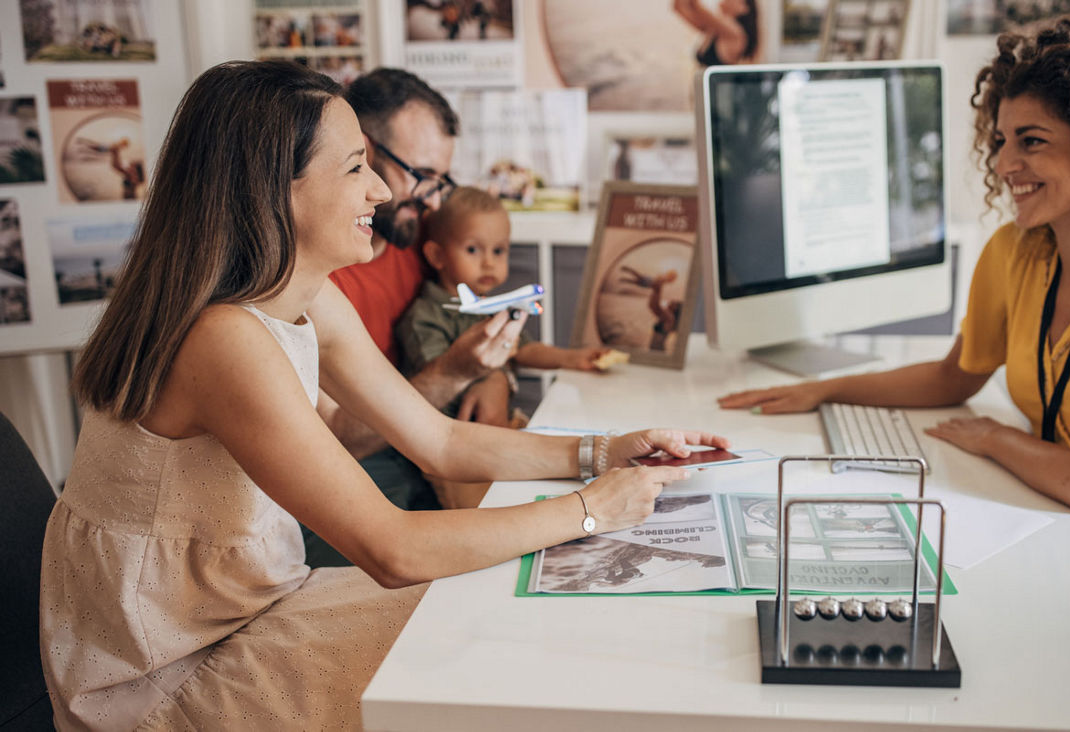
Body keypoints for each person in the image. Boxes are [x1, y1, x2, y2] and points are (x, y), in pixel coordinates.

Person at [40, 59, 727, 730]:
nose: (383, 193)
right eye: (355, 168)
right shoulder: (225, 339)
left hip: (254, 608)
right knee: (508, 643)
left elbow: (443, 440)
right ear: (274, 189)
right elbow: (392, 549)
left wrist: (605, 450)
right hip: (169, 672)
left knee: (506, 612)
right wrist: (591, 510)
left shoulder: (305, 294)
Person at [719, 13, 1070, 692]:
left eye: (1032, 142)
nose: (1005, 165)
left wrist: (990, 437)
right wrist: (829, 389)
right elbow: (957, 373)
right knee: (923, 641)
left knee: (992, 676)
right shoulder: (1019, 251)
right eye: (1002, 140)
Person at [313, 68, 526, 565]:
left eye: (442, 180)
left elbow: (476, 326)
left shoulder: (423, 233)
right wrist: (457, 372)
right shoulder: (319, 269)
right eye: (423, 176)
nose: (433, 198)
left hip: (432, 434)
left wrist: (495, 380)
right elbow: (338, 440)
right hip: (370, 461)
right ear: (361, 152)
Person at [397, 186, 611, 427]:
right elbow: (439, 379)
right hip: (448, 431)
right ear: (437, 256)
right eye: (472, 249)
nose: (489, 263)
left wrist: (570, 358)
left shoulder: (492, 305)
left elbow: (524, 348)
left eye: (499, 250)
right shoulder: (425, 317)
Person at [673, 0, 759, 67]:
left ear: (744, 8)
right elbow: (679, 7)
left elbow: (697, 7)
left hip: (718, 89)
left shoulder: (735, 34)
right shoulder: (714, 29)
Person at [619, 265, 683, 352]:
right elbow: (653, 306)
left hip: (657, 351)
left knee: (640, 278)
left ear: (676, 309)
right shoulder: (668, 318)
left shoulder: (669, 318)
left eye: (673, 303)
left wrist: (658, 289)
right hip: (656, 350)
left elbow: (654, 306)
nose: (670, 302)